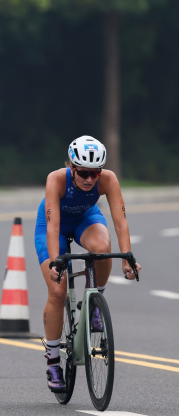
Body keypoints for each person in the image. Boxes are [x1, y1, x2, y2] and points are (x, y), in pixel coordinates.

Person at [37, 135, 140, 393]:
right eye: (83, 172)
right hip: (54, 226)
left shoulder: (108, 179)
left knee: (103, 250)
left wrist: (127, 257)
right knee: (57, 290)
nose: (89, 179)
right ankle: (52, 361)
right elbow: (53, 226)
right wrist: (56, 262)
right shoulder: (56, 179)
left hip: (85, 218)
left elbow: (120, 222)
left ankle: (94, 302)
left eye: (95, 173)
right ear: (71, 167)